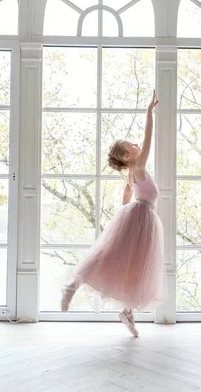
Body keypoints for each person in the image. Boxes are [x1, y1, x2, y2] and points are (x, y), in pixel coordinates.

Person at [60, 90, 168, 337]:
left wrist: (123, 213)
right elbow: (148, 137)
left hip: (139, 217)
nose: (136, 143)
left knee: (134, 265)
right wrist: (148, 112)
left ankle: (127, 312)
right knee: (115, 258)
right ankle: (74, 283)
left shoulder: (133, 172)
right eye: (130, 144)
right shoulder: (138, 166)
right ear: (128, 156)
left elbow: (128, 190)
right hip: (141, 217)